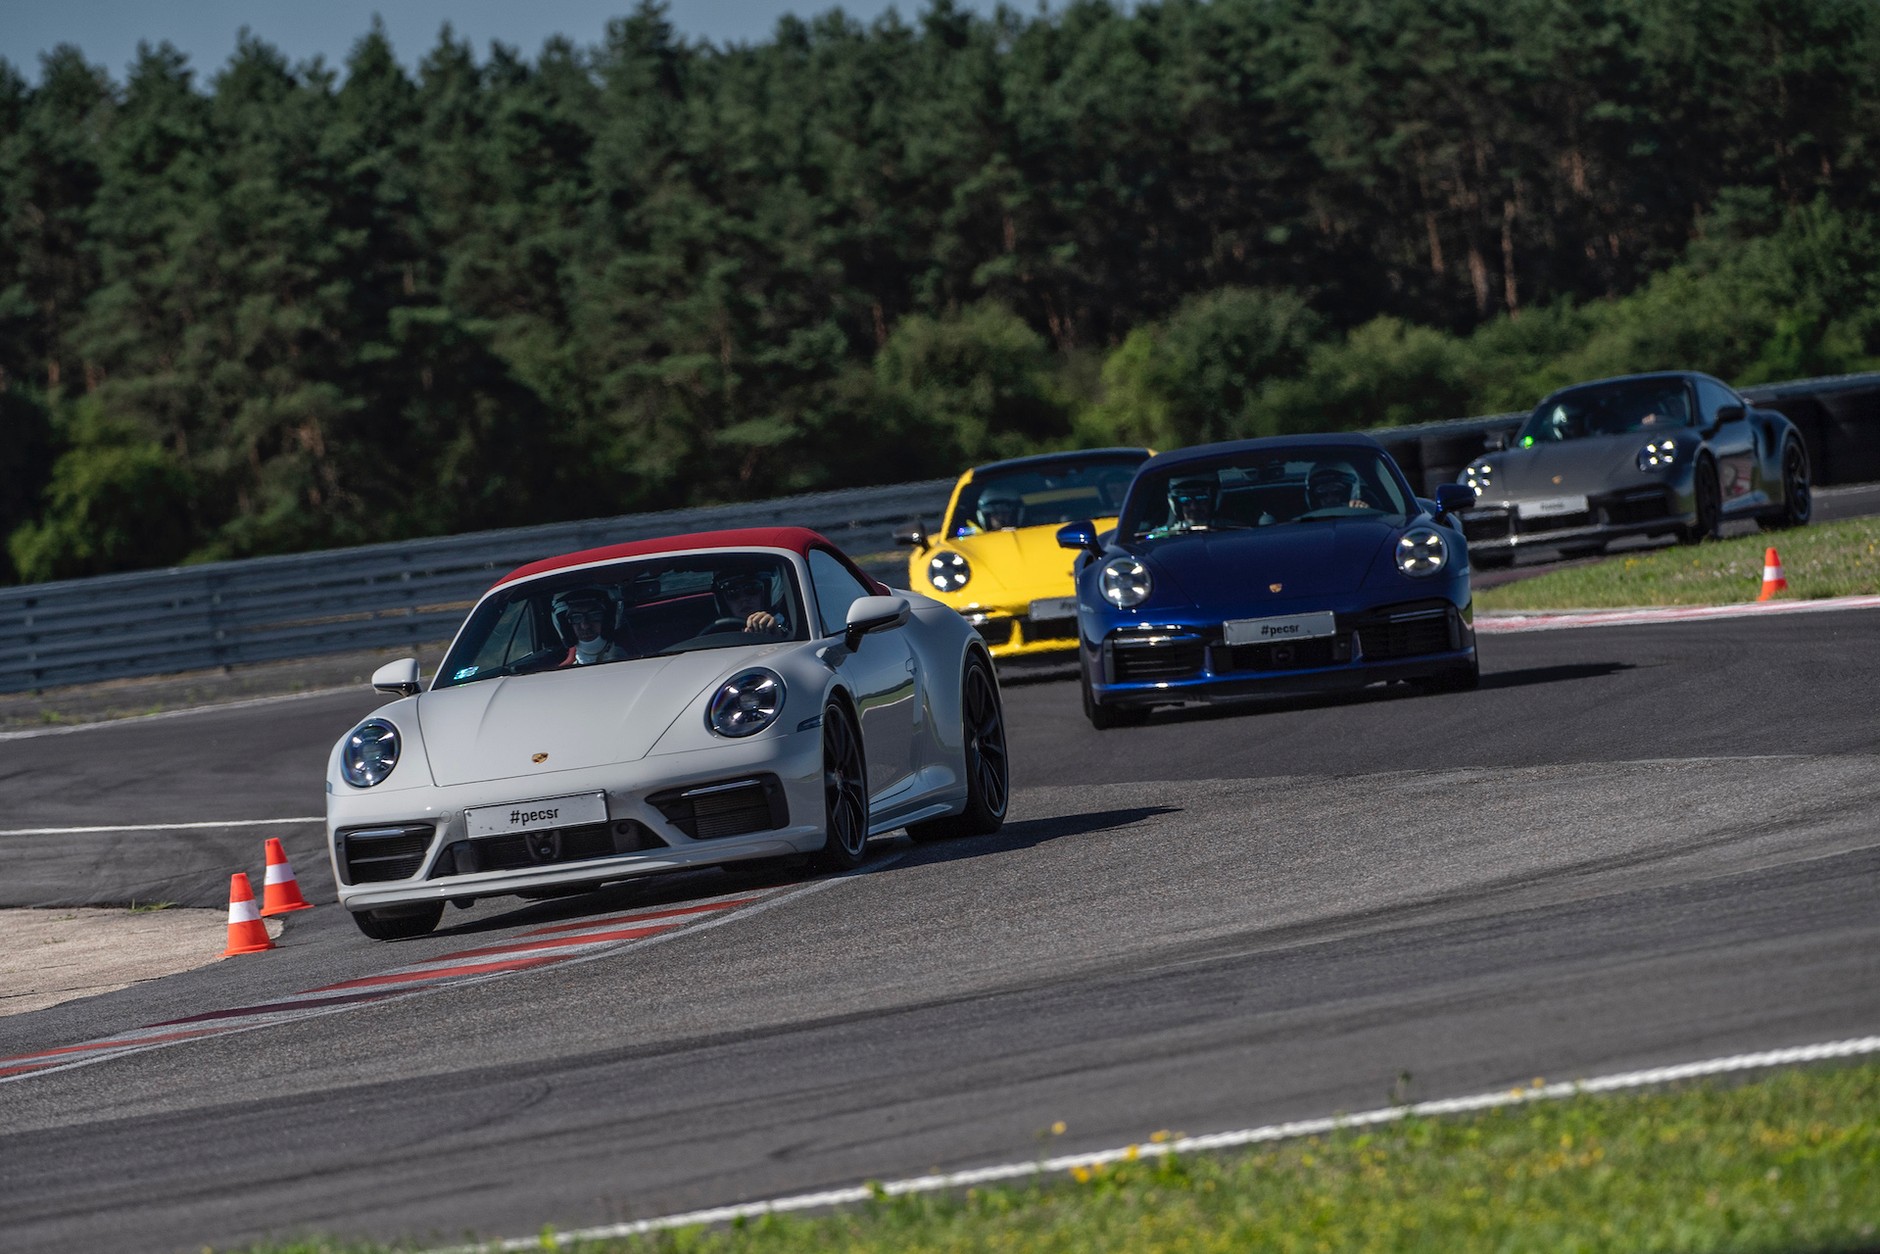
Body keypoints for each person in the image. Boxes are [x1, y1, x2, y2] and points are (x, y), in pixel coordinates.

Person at [552, 586, 631, 666]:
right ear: (566, 626)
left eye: (595, 615)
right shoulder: (560, 676)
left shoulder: (636, 663)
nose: (585, 626)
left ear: (610, 620)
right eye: (576, 617)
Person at [710, 570, 791, 639]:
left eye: (752, 589)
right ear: (723, 602)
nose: (743, 598)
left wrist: (777, 635)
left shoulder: (783, 625)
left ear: (766, 593)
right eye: (732, 593)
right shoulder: (716, 636)